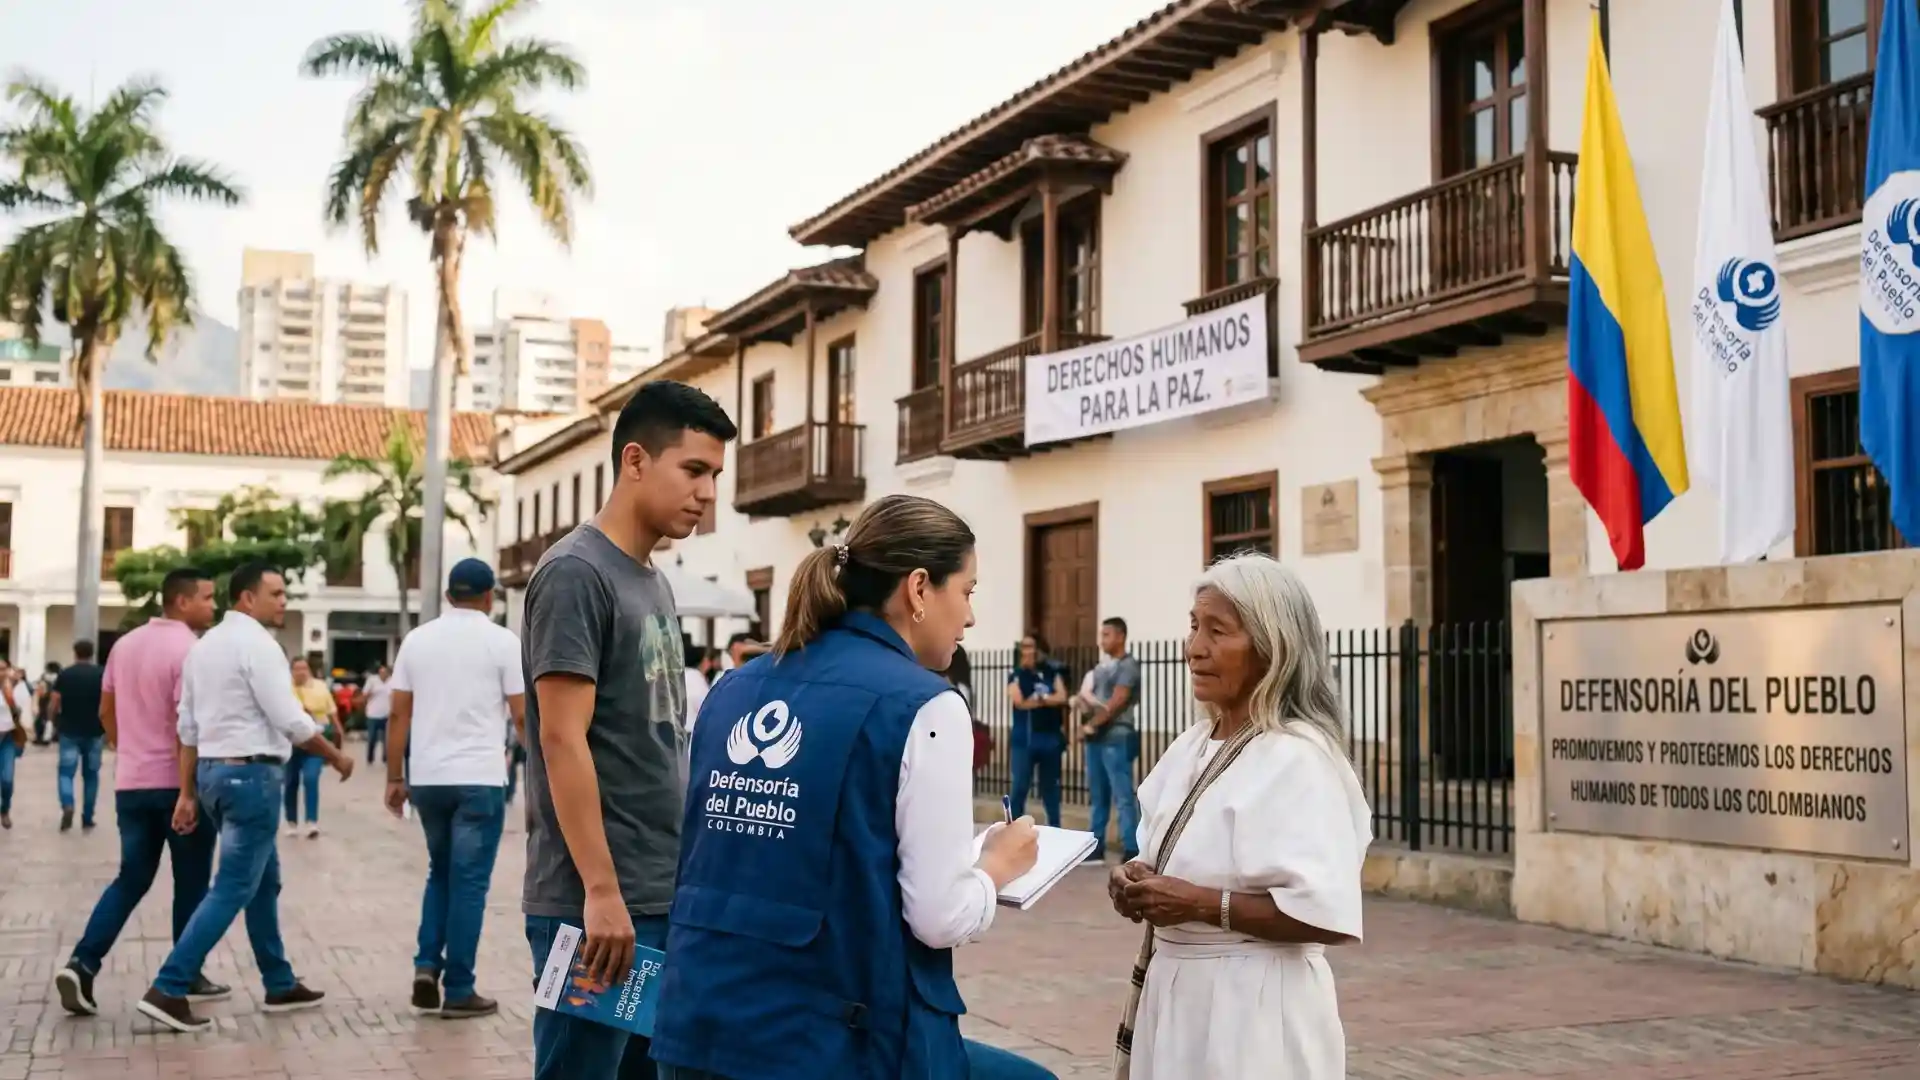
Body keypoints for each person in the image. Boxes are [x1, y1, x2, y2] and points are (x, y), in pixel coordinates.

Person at [652, 494, 1054, 1080]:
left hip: (699, 1025)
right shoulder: (927, 705)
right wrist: (995, 868)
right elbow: (938, 916)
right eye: (966, 591)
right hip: (835, 1040)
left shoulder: (731, 689)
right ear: (919, 589)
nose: (970, 617)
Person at [520, 380, 736, 1079]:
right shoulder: (577, 574)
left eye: (715, 476)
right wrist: (602, 891)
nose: (707, 493)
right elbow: (561, 737)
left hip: (657, 891)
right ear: (636, 460)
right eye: (694, 470)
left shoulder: (652, 580)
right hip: (596, 902)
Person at [1107, 554, 1371, 1080]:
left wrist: (1200, 904)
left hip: (1253, 1009)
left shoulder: (1299, 757)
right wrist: (1134, 878)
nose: (1195, 649)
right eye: (1193, 627)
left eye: (1218, 631)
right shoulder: (1190, 748)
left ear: (1272, 650)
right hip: (1176, 995)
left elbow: (1326, 913)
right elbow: (1170, 853)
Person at [135, 561, 356, 1033]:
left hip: (216, 774)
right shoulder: (259, 645)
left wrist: (189, 791)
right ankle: (169, 986)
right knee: (235, 885)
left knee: (263, 881)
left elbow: (188, 726)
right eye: (275, 593)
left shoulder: (203, 647)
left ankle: (278, 981)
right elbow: (290, 719)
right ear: (247, 598)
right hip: (250, 777)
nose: (283, 601)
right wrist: (334, 754)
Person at [55, 568, 230, 1016]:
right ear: (182, 601)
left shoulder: (125, 644)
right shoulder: (190, 650)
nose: (214, 606)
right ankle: (183, 973)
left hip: (131, 783)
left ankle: (83, 962)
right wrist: (188, 791)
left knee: (131, 877)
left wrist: (124, 746)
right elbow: (185, 727)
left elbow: (106, 709)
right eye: (208, 598)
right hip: (176, 784)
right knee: (191, 882)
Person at [385, 557, 526, 1020]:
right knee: (468, 884)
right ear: (489, 597)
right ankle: (460, 987)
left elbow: (398, 715)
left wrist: (393, 776)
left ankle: (427, 965)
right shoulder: (503, 642)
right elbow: (523, 716)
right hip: (479, 779)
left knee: (439, 873)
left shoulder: (416, 641)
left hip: (427, 778)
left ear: (448, 595)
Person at [1081, 616, 1142, 863]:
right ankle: (1096, 846)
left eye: (1106, 634)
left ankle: (1132, 847)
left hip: (1116, 736)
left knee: (1123, 794)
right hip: (1097, 738)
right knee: (1098, 795)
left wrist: (1089, 726)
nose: (1102, 640)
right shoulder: (1102, 668)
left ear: (1120, 636)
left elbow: (1117, 702)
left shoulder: (1127, 666)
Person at [1006, 631, 1068, 826]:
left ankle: (1056, 828)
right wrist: (1048, 700)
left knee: (1051, 788)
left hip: (1049, 737)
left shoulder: (1051, 672)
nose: (1027, 651)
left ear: (1039, 649)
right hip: (1025, 739)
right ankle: (1012, 828)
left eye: (1030, 646)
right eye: (1023, 647)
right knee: (1020, 786)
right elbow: (1019, 702)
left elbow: (1062, 697)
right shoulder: (1016, 675)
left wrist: (1039, 699)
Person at [51, 640, 107, 832]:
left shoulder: (65, 674)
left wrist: (54, 721)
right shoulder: (101, 674)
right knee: (91, 776)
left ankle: (68, 804)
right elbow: (107, 702)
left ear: (75, 653)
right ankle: (88, 817)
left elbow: (55, 701)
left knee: (66, 773)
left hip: (69, 730)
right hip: (95, 731)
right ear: (92, 653)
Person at [284, 656, 339, 838]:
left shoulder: (320, 687)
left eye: (304, 668)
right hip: (292, 744)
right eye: (297, 668)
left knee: (311, 778)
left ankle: (311, 821)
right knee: (290, 782)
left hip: (316, 741)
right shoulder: (283, 688)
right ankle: (291, 822)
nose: (301, 672)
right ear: (291, 670)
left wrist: (339, 732)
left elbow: (332, 712)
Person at [1, 663, 28, 828]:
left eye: (4, 668)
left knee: (7, 780)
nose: (2, 672)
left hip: (7, 739)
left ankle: (4, 810)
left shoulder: (14, 689)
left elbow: (22, 710)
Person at [361, 664, 394, 763]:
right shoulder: (372, 680)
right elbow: (364, 695)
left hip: (387, 714)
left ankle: (385, 758)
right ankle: (370, 758)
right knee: (372, 738)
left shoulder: (392, 681)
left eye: (385, 673)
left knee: (386, 739)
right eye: (381, 672)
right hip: (373, 714)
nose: (383, 674)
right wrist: (372, 693)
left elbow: (394, 696)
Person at [33, 661, 60, 746]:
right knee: (53, 720)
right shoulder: (60, 677)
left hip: (45, 700)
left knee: (41, 721)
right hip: (56, 701)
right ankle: (53, 736)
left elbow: (39, 689)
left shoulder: (45, 678)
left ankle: (42, 738)